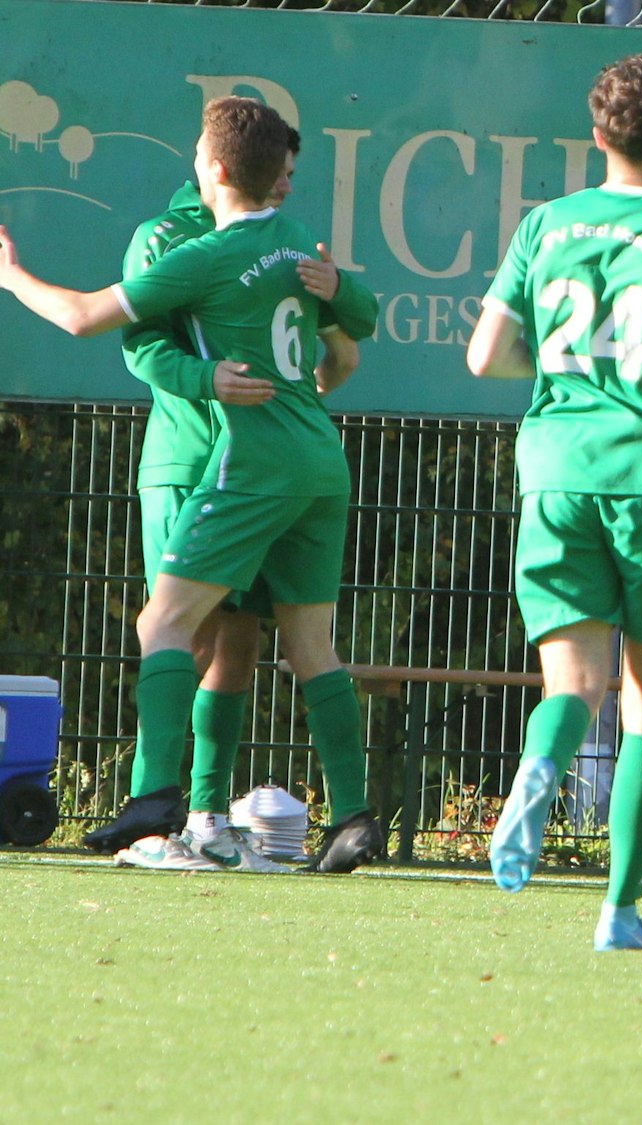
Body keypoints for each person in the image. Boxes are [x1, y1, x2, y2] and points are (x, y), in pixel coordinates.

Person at [0, 96, 382, 875]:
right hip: (303, 456)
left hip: (251, 459)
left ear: (212, 165)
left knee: (165, 623)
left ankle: (159, 803)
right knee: (304, 646)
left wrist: (8, 275)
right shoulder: (271, 247)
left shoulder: (213, 253)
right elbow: (355, 330)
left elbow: (83, 318)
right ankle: (352, 817)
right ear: (274, 172)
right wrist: (329, 293)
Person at [465, 55, 642, 950]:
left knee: (576, 683)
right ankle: (620, 910)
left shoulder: (545, 224)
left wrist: (558, 368)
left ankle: (542, 760)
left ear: (596, 138)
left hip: (555, 469)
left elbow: (485, 356)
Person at [96, 126, 373, 873]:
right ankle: (156, 825)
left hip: (254, 459)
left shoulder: (276, 238)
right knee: (186, 630)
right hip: (192, 461)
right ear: (230, 169)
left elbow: (346, 341)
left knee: (235, 640)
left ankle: (206, 818)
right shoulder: (167, 237)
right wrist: (207, 381)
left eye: (292, 174)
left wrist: (315, 372)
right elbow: (141, 346)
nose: (287, 185)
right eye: (281, 172)